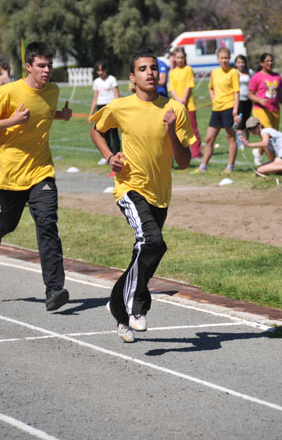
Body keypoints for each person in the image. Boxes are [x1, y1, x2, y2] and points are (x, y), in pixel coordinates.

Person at [89, 48, 195, 343]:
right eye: (143, 69)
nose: (150, 73)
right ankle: (136, 309)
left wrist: (171, 129)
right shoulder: (120, 106)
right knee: (152, 241)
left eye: (154, 68)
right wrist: (110, 157)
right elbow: (96, 130)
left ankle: (117, 305)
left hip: (161, 195)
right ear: (132, 77)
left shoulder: (175, 109)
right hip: (130, 188)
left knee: (150, 251)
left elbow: (184, 162)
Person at [0, 41, 72, 311]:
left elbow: (44, 112)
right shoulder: (8, 92)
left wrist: (60, 115)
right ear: (28, 66)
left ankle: (54, 290)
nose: (46, 70)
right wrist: (11, 122)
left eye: (49, 65)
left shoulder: (53, 91)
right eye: (41, 65)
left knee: (47, 224)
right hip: (12, 173)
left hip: (41, 171)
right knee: (6, 225)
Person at [194, 47, 240, 174]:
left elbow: (237, 93)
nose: (224, 60)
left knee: (230, 137)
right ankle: (203, 166)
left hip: (229, 107)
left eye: (226, 58)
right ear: (218, 59)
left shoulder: (233, 73)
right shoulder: (215, 72)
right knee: (209, 139)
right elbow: (210, 87)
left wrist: (235, 110)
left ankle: (229, 167)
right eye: (222, 58)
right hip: (216, 109)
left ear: (229, 59)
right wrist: (213, 97)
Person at [248, 53, 282, 166]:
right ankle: (274, 162)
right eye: (267, 61)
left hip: (275, 110)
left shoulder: (277, 76)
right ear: (262, 63)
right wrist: (259, 100)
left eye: (271, 61)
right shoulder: (256, 77)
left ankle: (258, 151)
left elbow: (280, 95)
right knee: (267, 133)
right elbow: (250, 94)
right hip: (260, 109)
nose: (270, 63)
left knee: (272, 136)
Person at [168, 47, 202, 158]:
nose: (180, 60)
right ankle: (179, 151)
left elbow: (188, 85)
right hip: (176, 104)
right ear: (175, 59)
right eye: (178, 58)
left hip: (188, 103)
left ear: (185, 58)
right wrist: (178, 100)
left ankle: (196, 152)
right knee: (177, 129)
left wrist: (184, 99)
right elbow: (172, 88)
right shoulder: (172, 72)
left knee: (192, 128)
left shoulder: (188, 69)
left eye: (182, 57)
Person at [88, 61, 120, 160]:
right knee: (103, 132)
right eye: (98, 70)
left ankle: (117, 154)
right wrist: (91, 114)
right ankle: (108, 156)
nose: (101, 72)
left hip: (110, 107)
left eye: (102, 70)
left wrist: (117, 109)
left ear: (106, 69)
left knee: (113, 132)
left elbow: (116, 95)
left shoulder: (112, 79)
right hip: (101, 107)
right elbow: (95, 98)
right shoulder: (96, 82)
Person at [234, 54, 253, 134]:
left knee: (247, 120)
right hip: (239, 100)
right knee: (240, 121)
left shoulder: (250, 72)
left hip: (248, 99)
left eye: (242, 62)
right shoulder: (234, 73)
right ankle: (240, 142)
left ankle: (247, 140)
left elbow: (253, 83)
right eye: (238, 62)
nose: (241, 64)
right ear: (235, 63)